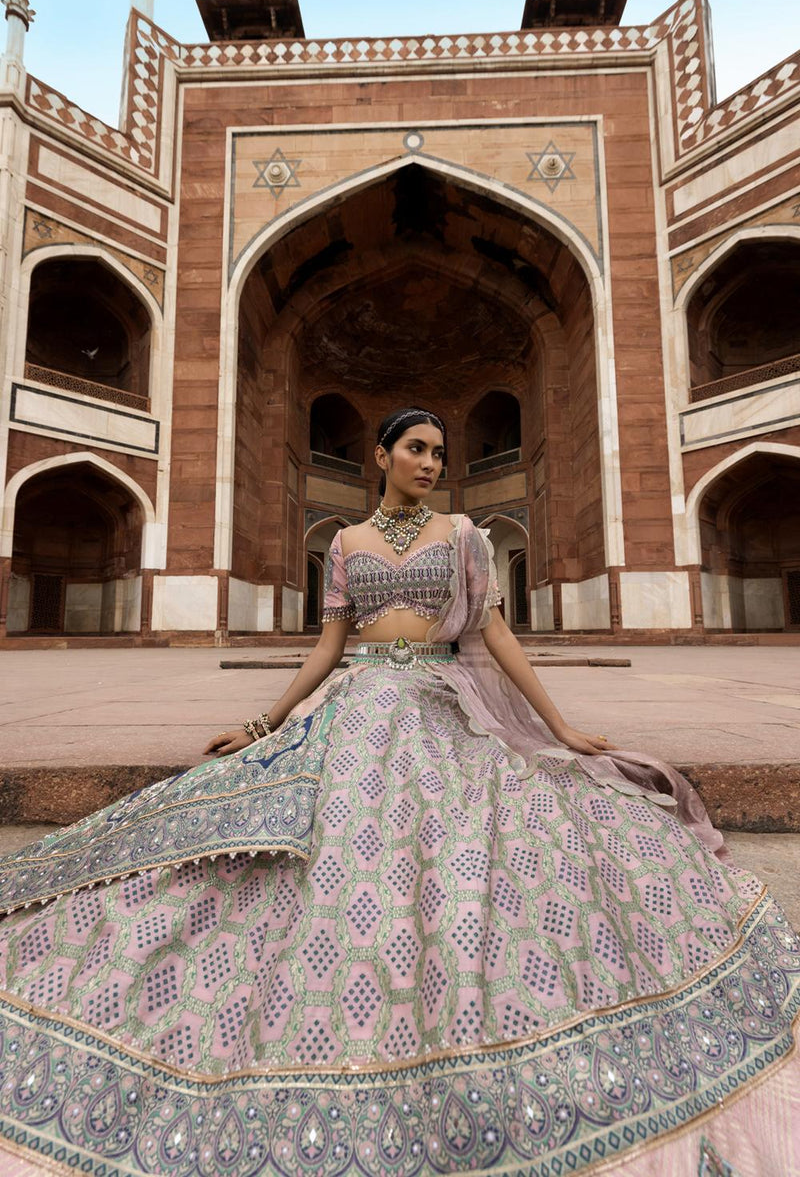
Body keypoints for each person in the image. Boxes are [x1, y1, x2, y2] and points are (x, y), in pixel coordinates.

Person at [0, 406, 796, 1177]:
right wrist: (262, 723)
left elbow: (492, 632)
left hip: (441, 704)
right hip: (358, 703)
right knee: (324, 832)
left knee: (484, 833)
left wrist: (559, 727)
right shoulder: (345, 541)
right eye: (416, 448)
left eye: (440, 455)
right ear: (379, 456)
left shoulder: (466, 536)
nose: (430, 464)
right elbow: (328, 647)